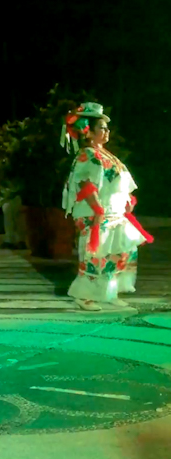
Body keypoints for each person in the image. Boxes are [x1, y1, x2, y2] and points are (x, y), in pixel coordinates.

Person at [61, 102, 153, 312]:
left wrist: (128, 201)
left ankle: (109, 292)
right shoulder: (87, 155)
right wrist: (98, 210)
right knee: (94, 253)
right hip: (96, 212)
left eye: (106, 128)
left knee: (120, 251)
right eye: (102, 127)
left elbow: (119, 183)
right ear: (89, 132)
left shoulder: (105, 154)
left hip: (115, 212)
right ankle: (84, 296)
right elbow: (86, 184)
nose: (106, 131)